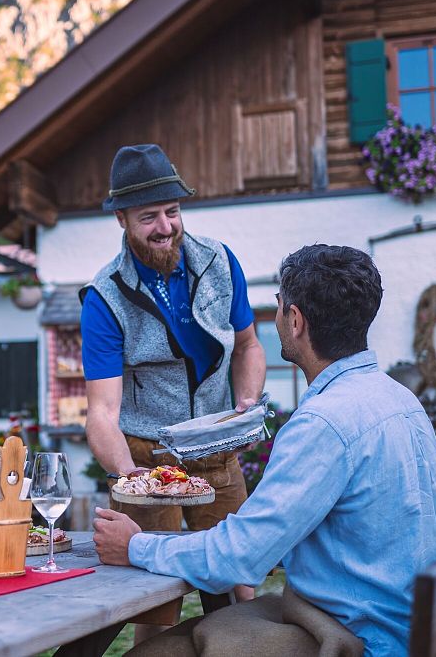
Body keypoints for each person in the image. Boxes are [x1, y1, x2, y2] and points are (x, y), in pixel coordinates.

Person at [94, 245, 436, 656]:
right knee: (190, 635)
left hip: (365, 639)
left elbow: (241, 557)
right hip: (416, 626)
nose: (280, 314)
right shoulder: (400, 398)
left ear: (296, 320)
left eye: (279, 305)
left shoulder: (323, 422)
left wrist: (135, 546)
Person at [80, 143, 266, 613]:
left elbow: (248, 347)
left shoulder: (221, 261)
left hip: (215, 446)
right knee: (152, 601)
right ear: (121, 218)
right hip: (144, 454)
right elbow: (102, 412)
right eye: (149, 217)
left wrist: (245, 404)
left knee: (236, 581)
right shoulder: (103, 298)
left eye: (173, 211)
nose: (166, 227)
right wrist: (130, 477)